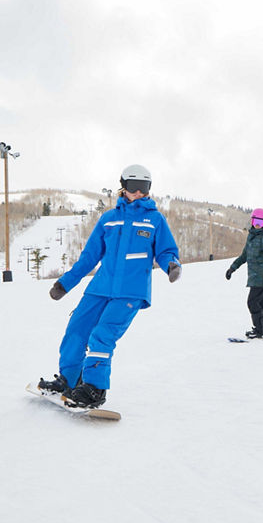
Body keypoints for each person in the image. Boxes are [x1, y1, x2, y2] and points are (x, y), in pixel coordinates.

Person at [39, 164, 181, 407]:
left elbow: (166, 249)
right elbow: (89, 257)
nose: (139, 192)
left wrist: (172, 265)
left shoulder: (155, 219)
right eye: (134, 186)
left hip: (131, 291)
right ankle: (69, 380)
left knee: (102, 335)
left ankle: (94, 389)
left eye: (144, 187)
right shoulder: (108, 219)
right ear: (123, 186)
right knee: (76, 329)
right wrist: (65, 284)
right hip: (100, 287)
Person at [225, 208, 263, 338]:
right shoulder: (251, 238)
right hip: (253, 278)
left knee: (252, 303)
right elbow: (244, 256)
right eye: (255, 221)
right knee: (262, 304)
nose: (258, 224)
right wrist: (232, 268)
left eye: (261, 222)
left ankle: (261, 330)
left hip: (261, 278)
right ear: (252, 221)